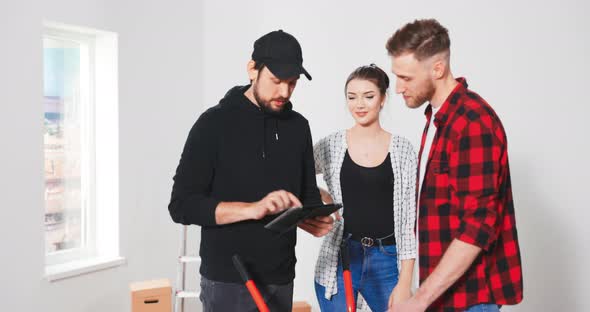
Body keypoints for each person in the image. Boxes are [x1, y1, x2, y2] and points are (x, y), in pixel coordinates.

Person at [168, 29, 334, 312]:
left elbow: (306, 195)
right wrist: (252, 209)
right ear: (252, 70)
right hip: (228, 280)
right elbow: (182, 206)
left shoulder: (298, 127)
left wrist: (315, 216)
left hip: (280, 277)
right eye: (276, 81)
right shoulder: (213, 124)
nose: (284, 92)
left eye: (292, 83)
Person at [385, 19, 523, 312]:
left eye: (406, 78)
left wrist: (419, 300)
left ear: (437, 69)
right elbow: (426, 214)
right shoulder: (437, 119)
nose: (397, 88)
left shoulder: (472, 123)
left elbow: (478, 226)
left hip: (470, 300)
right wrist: (407, 286)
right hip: (440, 294)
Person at [313, 64, 417, 312]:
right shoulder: (332, 144)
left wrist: (405, 282)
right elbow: (295, 174)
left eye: (368, 96)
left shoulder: (403, 150)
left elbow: (408, 221)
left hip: (387, 259)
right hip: (339, 257)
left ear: (382, 99)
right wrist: (322, 196)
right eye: (352, 97)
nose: (359, 104)